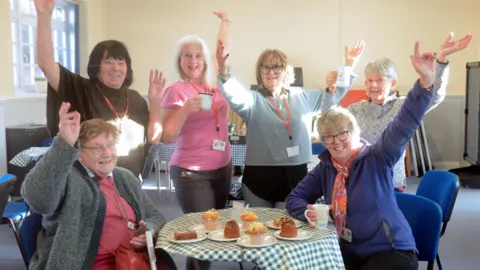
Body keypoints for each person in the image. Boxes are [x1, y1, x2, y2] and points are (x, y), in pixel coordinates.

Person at [286, 41, 437, 270]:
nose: (336, 142)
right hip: (349, 249)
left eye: (342, 134)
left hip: (391, 250)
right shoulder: (326, 167)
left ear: (355, 132)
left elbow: (405, 123)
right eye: (328, 137)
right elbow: (294, 200)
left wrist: (425, 83)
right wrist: (308, 212)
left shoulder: (378, 158)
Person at [214, 11, 364, 209]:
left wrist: (349, 64)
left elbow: (331, 96)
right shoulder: (253, 100)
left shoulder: (301, 95)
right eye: (265, 68)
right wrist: (223, 66)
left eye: (276, 67)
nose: (271, 72)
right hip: (259, 177)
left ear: (285, 70)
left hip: (295, 174)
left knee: (288, 230)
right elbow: (232, 91)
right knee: (259, 230)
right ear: (260, 73)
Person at [21, 102, 174, 270]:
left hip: (132, 259)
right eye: (96, 148)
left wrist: (149, 231)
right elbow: (38, 199)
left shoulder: (125, 177)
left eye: (110, 145)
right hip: (88, 263)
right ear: (79, 155)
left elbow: (156, 217)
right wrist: (63, 144)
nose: (107, 153)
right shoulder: (69, 179)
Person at [35, 0, 163, 180]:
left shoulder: (134, 99)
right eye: (108, 62)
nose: (116, 68)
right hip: (89, 183)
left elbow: (154, 139)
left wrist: (156, 101)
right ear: (97, 66)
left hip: (129, 181)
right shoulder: (81, 89)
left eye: (121, 62)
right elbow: (46, 63)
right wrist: (44, 15)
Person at [328, 32, 472, 192]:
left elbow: (434, 96)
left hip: (391, 183)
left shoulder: (402, 106)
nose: (373, 85)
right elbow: (329, 118)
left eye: (379, 80)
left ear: (393, 83)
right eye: (369, 80)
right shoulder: (356, 109)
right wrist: (340, 78)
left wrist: (441, 60)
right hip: (359, 180)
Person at [160, 34, 231, 270]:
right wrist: (184, 110)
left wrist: (226, 22)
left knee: (213, 234)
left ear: (205, 60)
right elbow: (167, 136)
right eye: (187, 56)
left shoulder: (214, 85)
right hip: (191, 172)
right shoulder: (175, 90)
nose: (193, 61)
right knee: (202, 235)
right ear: (179, 61)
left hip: (222, 167)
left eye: (198, 55)